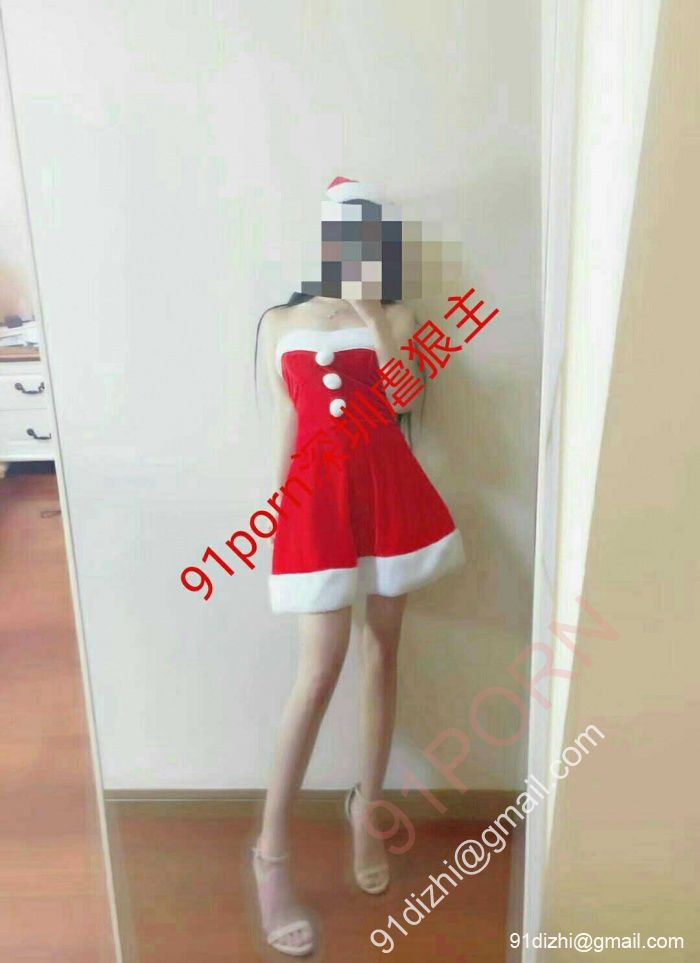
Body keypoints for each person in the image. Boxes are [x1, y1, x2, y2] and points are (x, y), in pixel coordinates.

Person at [251, 178, 465, 956]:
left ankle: (365, 812)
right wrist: (276, 512)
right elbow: (288, 418)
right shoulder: (281, 321)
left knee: (382, 654)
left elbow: (405, 397)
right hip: (318, 506)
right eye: (343, 236)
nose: (355, 250)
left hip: (388, 499)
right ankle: (271, 852)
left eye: (367, 238)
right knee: (319, 670)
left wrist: (373, 316)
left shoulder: (398, 317)